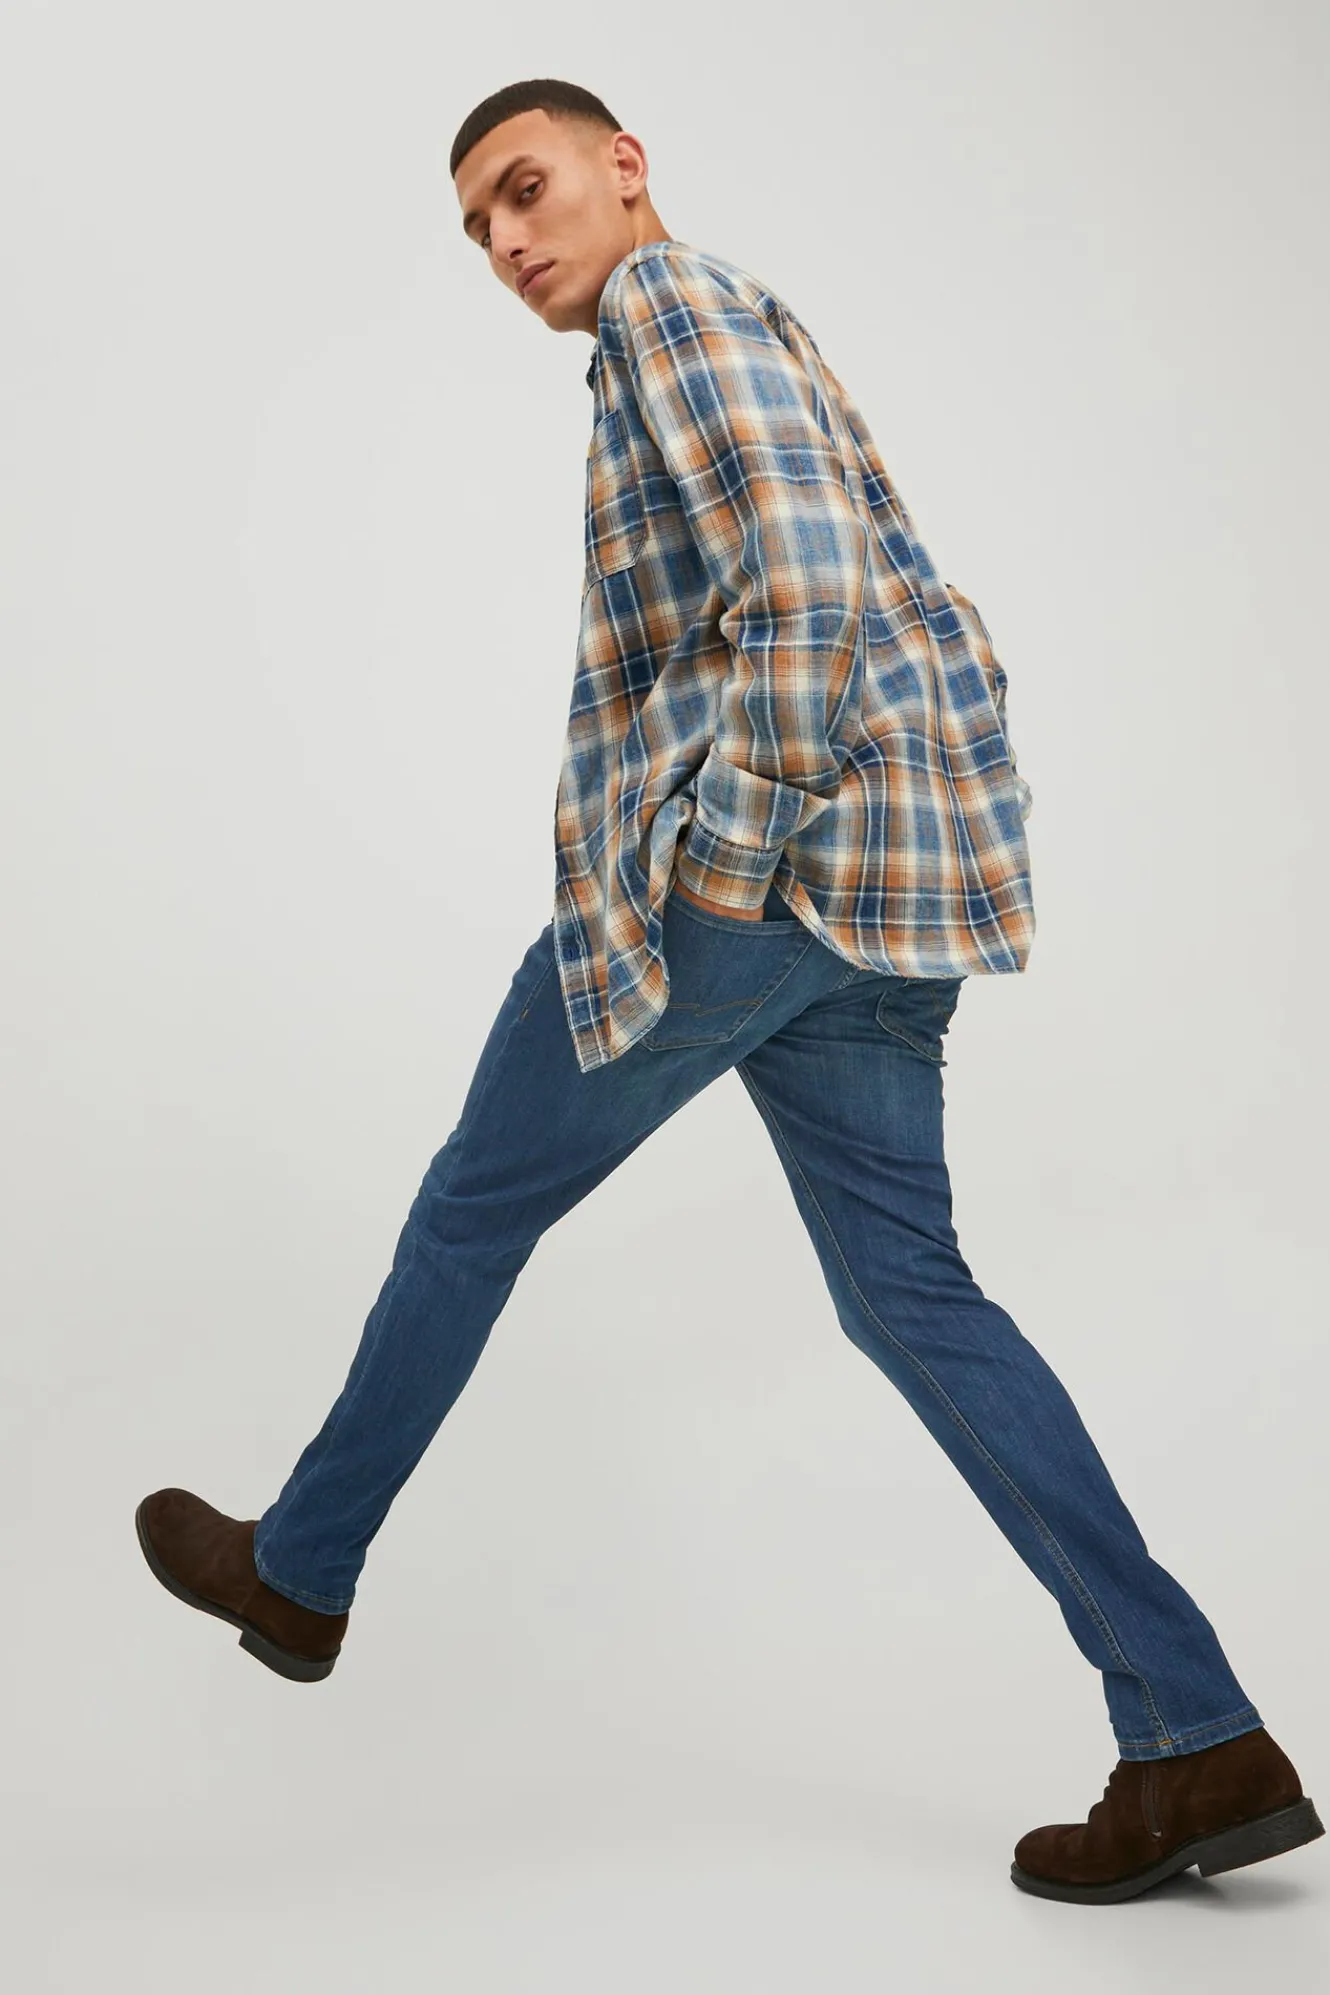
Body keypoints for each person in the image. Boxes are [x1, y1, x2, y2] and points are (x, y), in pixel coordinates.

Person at [135, 77, 1322, 1904]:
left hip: (765, 889)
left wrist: (723, 851)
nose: (506, 240)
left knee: (473, 1207)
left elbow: (812, 579)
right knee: (912, 1296)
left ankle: (301, 1569)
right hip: (879, 902)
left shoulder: (675, 305)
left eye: (525, 187)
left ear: (623, 167)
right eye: (476, 227)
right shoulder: (683, 329)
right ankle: (1198, 1736)